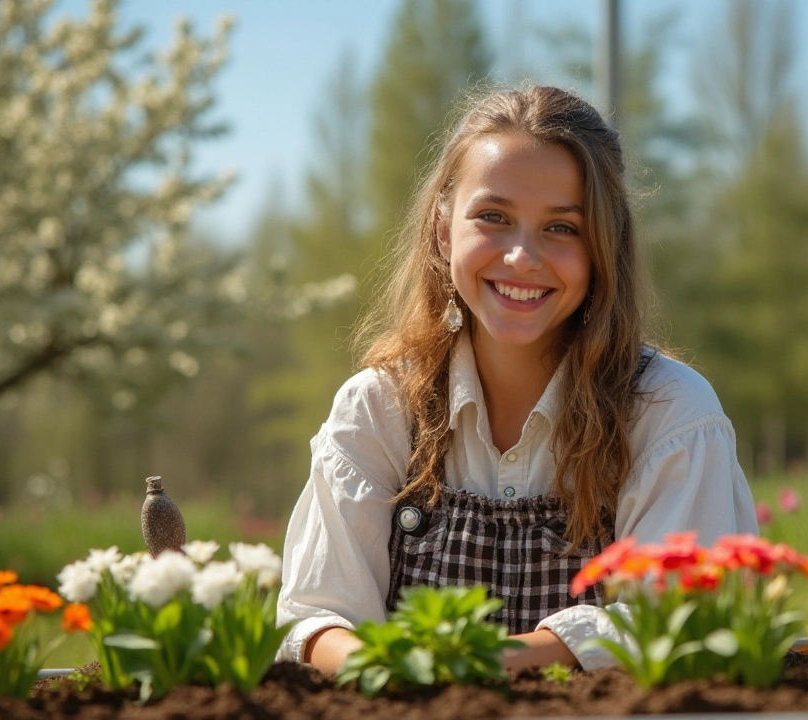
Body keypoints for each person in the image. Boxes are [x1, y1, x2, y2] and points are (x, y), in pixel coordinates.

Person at [276, 85, 758, 675]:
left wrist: (472, 662)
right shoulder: (379, 409)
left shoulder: (668, 413)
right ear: (442, 230)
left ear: (604, 247)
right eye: (494, 218)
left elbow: (676, 625)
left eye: (562, 228)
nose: (522, 257)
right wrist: (394, 671)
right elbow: (318, 614)